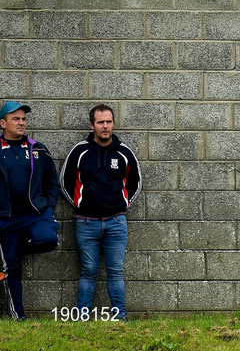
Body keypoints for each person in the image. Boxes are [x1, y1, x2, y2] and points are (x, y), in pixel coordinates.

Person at [60, 104, 142, 321]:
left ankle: (119, 317)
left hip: (116, 222)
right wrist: (81, 205)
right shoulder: (79, 151)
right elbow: (65, 183)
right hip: (86, 223)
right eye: (100, 122)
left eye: (108, 122)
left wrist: (121, 205)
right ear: (92, 125)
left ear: (113, 123)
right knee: (88, 271)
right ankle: (82, 316)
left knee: (116, 272)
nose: (105, 126)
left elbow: (136, 183)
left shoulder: (124, 152)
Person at [0, 101, 60, 319]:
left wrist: (49, 208)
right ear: (3, 123)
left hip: (35, 214)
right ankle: (19, 317)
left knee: (49, 239)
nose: (21, 122)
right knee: (12, 270)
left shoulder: (39, 149)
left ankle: (19, 248)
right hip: (6, 219)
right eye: (16, 118)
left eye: (24, 119)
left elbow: (52, 183)